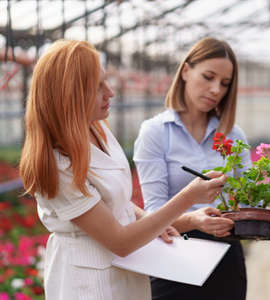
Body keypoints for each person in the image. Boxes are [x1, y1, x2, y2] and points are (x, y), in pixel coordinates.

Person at [19, 40, 226, 300]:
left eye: (106, 82)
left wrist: (157, 223)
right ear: (70, 94)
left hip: (127, 271)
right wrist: (188, 197)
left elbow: (116, 204)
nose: (110, 93)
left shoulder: (97, 128)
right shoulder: (59, 164)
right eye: (97, 87)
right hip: (88, 282)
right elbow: (121, 241)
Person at [133, 37, 252, 300]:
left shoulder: (234, 134)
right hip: (173, 255)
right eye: (208, 77)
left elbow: (250, 199)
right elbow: (152, 216)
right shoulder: (156, 133)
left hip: (226, 258)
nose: (215, 90)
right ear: (186, 70)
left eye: (224, 83)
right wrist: (193, 220)